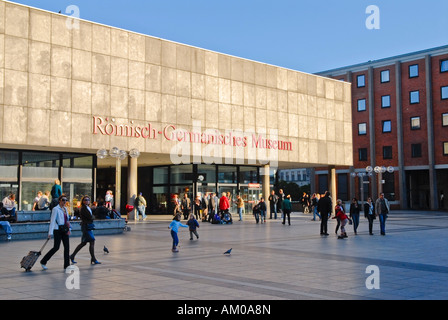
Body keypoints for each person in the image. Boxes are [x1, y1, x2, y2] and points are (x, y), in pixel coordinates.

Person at [40, 194, 71, 270]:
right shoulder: (55, 209)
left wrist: (69, 229)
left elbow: (67, 220)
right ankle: (43, 261)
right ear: (59, 201)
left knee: (67, 247)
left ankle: (67, 265)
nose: (64, 201)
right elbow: (52, 221)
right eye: (63, 200)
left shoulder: (65, 209)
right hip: (57, 230)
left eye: (66, 200)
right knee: (56, 247)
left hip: (64, 229)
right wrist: (50, 233)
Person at [70, 196, 101, 265]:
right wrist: (92, 216)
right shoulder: (83, 208)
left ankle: (72, 256)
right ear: (83, 201)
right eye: (85, 200)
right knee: (92, 241)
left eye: (88, 200)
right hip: (86, 227)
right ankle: (93, 259)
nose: (87, 201)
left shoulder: (87, 208)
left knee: (84, 243)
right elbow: (90, 217)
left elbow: (91, 216)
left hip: (87, 226)